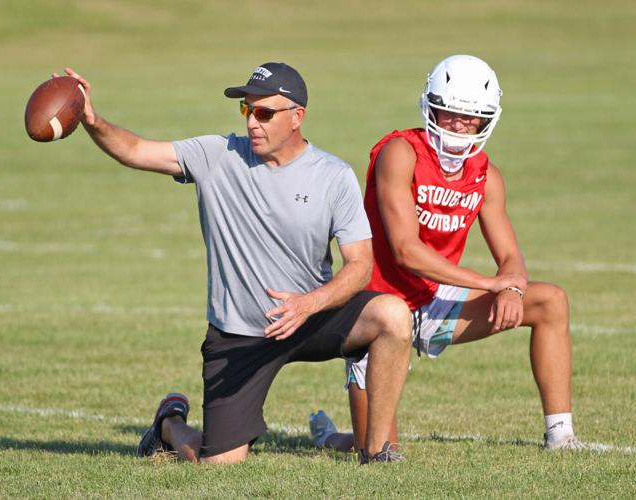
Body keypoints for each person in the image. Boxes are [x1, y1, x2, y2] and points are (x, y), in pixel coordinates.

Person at [55, 62, 413, 464]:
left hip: (310, 317)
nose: (253, 123)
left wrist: (307, 304)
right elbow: (135, 151)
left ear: (297, 117)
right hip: (240, 334)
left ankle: (378, 451)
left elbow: (360, 266)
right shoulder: (216, 155)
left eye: (265, 113)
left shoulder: (333, 175)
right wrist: (91, 120)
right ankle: (169, 424)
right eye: (247, 111)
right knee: (219, 464)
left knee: (393, 316)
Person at [308, 55, 585, 454]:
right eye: (450, 112)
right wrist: (491, 283)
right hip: (379, 311)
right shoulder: (400, 154)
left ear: (488, 119)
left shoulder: (485, 176)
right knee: (379, 448)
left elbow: (511, 256)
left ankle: (561, 435)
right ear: (430, 107)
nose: (458, 124)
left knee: (550, 301)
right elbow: (406, 252)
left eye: (471, 117)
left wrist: (514, 289)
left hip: (433, 300)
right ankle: (331, 437)